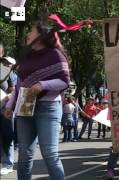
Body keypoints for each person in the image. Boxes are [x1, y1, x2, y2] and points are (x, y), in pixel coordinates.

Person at [4, 21, 70, 180]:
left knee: (50, 154)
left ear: (41, 35)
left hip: (49, 107)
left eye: (31, 31)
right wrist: (10, 106)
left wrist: (42, 85)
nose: (27, 34)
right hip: (24, 107)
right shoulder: (26, 57)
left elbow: (64, 81)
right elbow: (20, 84)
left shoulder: (56, 55)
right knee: (24, 156)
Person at [0, 44, 17, 176]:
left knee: (7, 136)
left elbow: (14, 88)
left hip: (5, 107)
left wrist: (8, 97)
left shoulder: (7, 68)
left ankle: (7, 163)